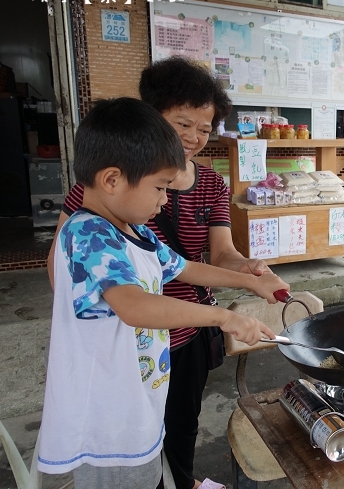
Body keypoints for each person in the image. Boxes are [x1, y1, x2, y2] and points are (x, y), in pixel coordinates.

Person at [38, 97, 290, 489]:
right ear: (112, 180)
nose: (163, 200)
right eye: (159, 187)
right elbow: (134, 306)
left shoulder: (134, 231)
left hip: (136, 401)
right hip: (106, 418)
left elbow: (185, 268)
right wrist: (224, 317)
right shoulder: (89, 233)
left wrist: (251, 280)